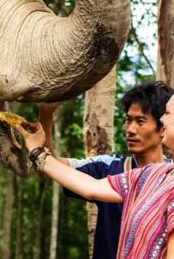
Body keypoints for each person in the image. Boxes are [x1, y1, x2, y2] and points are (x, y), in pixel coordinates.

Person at [15, 94, 174, 259]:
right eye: (128, 120)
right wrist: (37, 150)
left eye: (168, 114)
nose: (130, 129)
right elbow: (90, 187)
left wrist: (38, 152)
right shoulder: (151, 175)